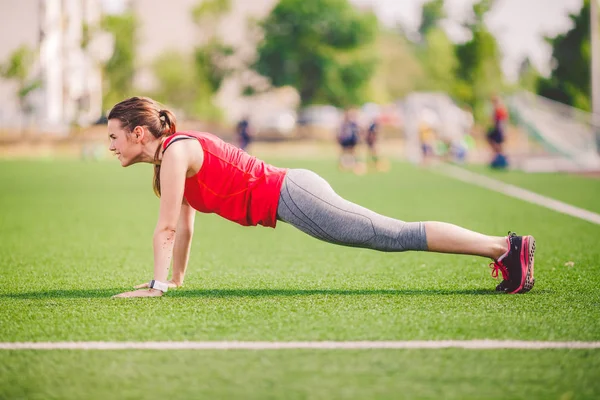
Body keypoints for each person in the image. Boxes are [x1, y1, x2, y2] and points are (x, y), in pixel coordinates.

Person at [108, 97, 535, 298]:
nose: (111, 146)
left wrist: (156, 288)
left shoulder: (177, 152)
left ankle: (503, 247)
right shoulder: (169, 162)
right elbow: (183, 225)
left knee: (392, 234)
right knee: (390, 234)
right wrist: (174, 280)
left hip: (293, 194)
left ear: (138, 133)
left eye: (114, 136)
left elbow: (165, 227)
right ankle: (504, 250)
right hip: (292, 198)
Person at [487, 96, 509, 168]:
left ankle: (502, 159)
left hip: (500, 129)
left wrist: (504, 132)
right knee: (492, 140)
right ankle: (499, 157)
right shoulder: (496, 110)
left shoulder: (501, 110)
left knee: (500, 145)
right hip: (497, 129)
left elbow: (503, 122)